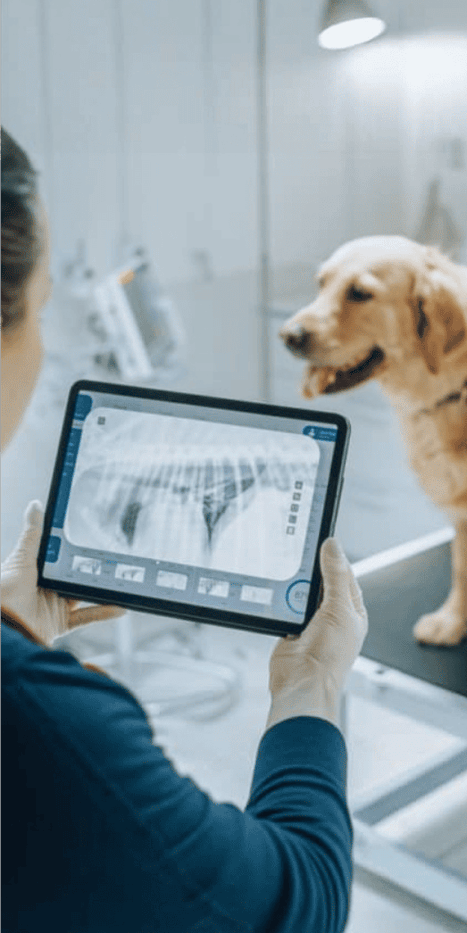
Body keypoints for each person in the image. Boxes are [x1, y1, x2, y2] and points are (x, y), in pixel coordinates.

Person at [0, 128, 368, 933]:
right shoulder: (43, 723)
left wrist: (17, 624)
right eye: (37, 313)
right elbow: (298, 902)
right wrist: (312, 683)